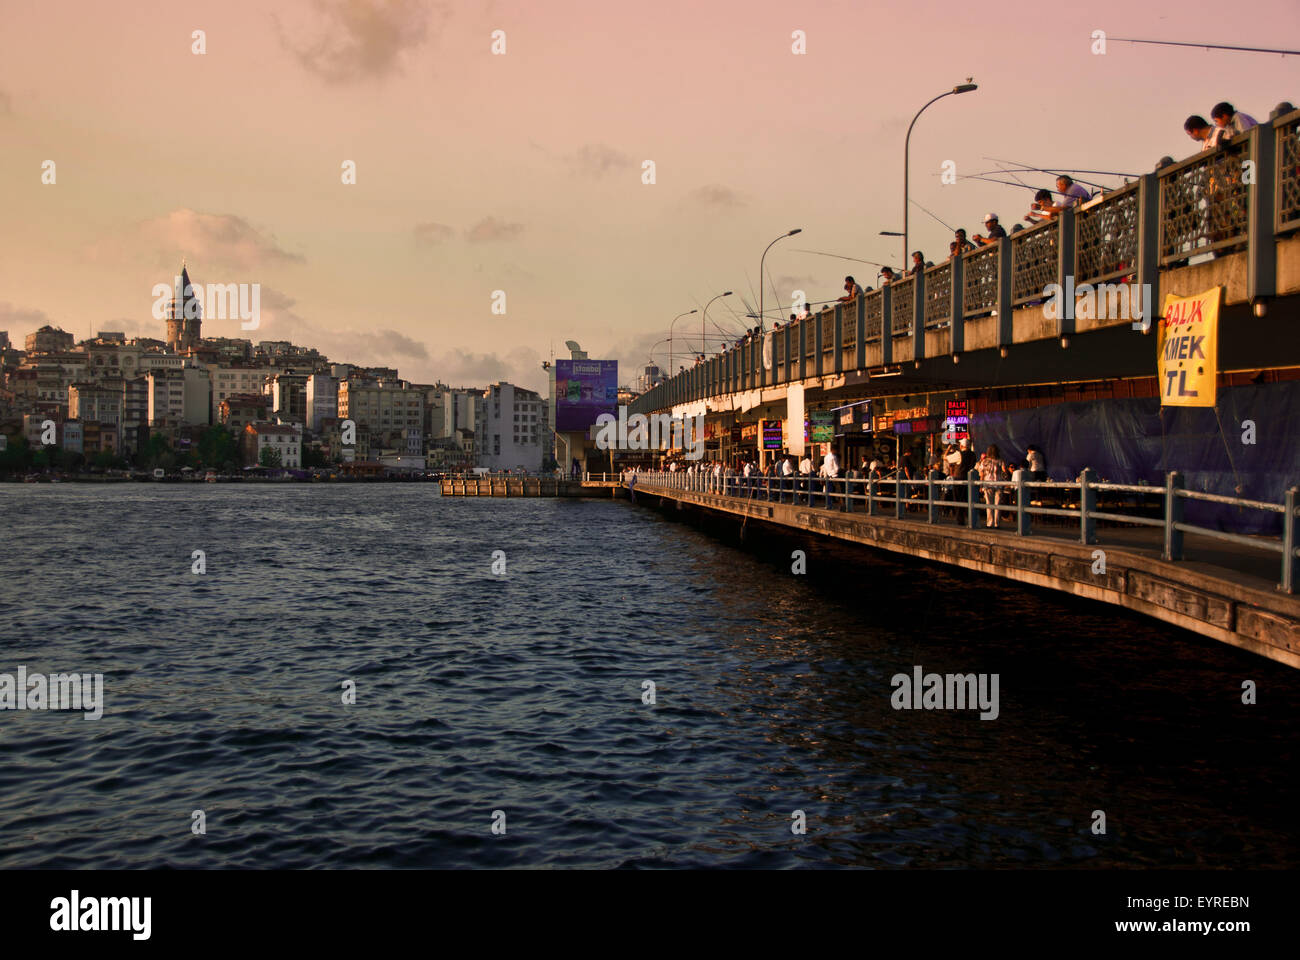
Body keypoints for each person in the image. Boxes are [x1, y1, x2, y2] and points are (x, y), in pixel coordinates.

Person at [977, 444, 1006, 528]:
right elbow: (1004, 472)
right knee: (997, 504)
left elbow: (981, 474)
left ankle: (989, 523)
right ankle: (997, 523)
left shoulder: (984, 461)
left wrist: (981, 486)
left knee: (989, 504)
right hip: (999, 484)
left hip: (988, 484)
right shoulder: (1000, 461)